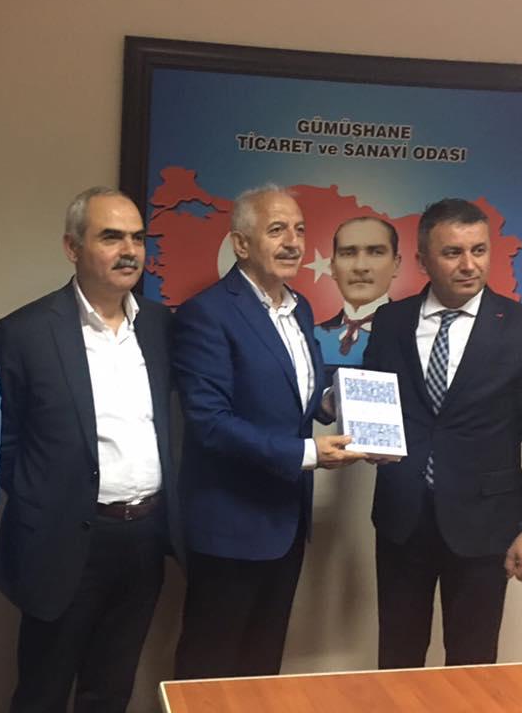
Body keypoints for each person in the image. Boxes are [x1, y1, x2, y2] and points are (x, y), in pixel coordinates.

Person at [0, 186, 178, 713]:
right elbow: (4, 443)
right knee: (43, 692)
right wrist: (46, 503)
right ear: (72, 248)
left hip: (143, 537)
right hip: (67, 540)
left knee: (111, 688)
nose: (130, 251)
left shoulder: (160, 326)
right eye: (111, 237)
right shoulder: (25, 332)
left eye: (138, 238)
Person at [362, 198, 522, 668]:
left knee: (472, 664)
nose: (469, 265)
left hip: (485, 524)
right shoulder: (391, 321)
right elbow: (376, 400)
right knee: (396, 657)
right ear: (422, 260)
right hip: (402, 518)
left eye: (479, 250)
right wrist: (365, 435)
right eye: (453, 252)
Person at [172, 184, 366, 680]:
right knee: (209, 671)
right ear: (241, 244)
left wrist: (334, 403)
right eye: (277, 230)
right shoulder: (206, 314)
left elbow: (297, 395)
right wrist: (309, 454)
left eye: (299, 230)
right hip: (230, 526)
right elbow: (210, 423)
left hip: (287, 521)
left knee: (261, 667)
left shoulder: (299, 308)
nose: (293, 242)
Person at [316, 217, 401, 365]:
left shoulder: (414, 335)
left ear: (396, 264)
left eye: (376, 252)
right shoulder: (311, 337)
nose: (360, 267)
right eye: (348, 253)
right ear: (333, 267)